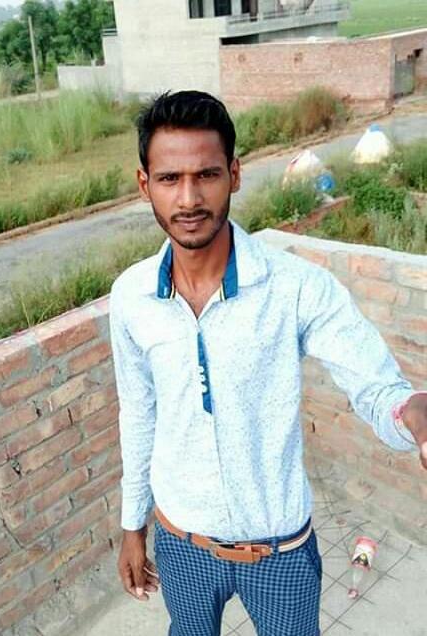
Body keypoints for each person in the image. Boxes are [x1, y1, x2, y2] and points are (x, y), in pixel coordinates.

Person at [109, 90, 427, 636]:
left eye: (207, 175)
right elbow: (139, 414)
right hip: (181, 543)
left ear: (234, 175)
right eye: (169, 179)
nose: (189, 198)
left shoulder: (297, 288)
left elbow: (378, 389)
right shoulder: (131, 296)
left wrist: (417, 418)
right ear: (145, 185)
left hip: (279, 551)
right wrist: (132, 525)